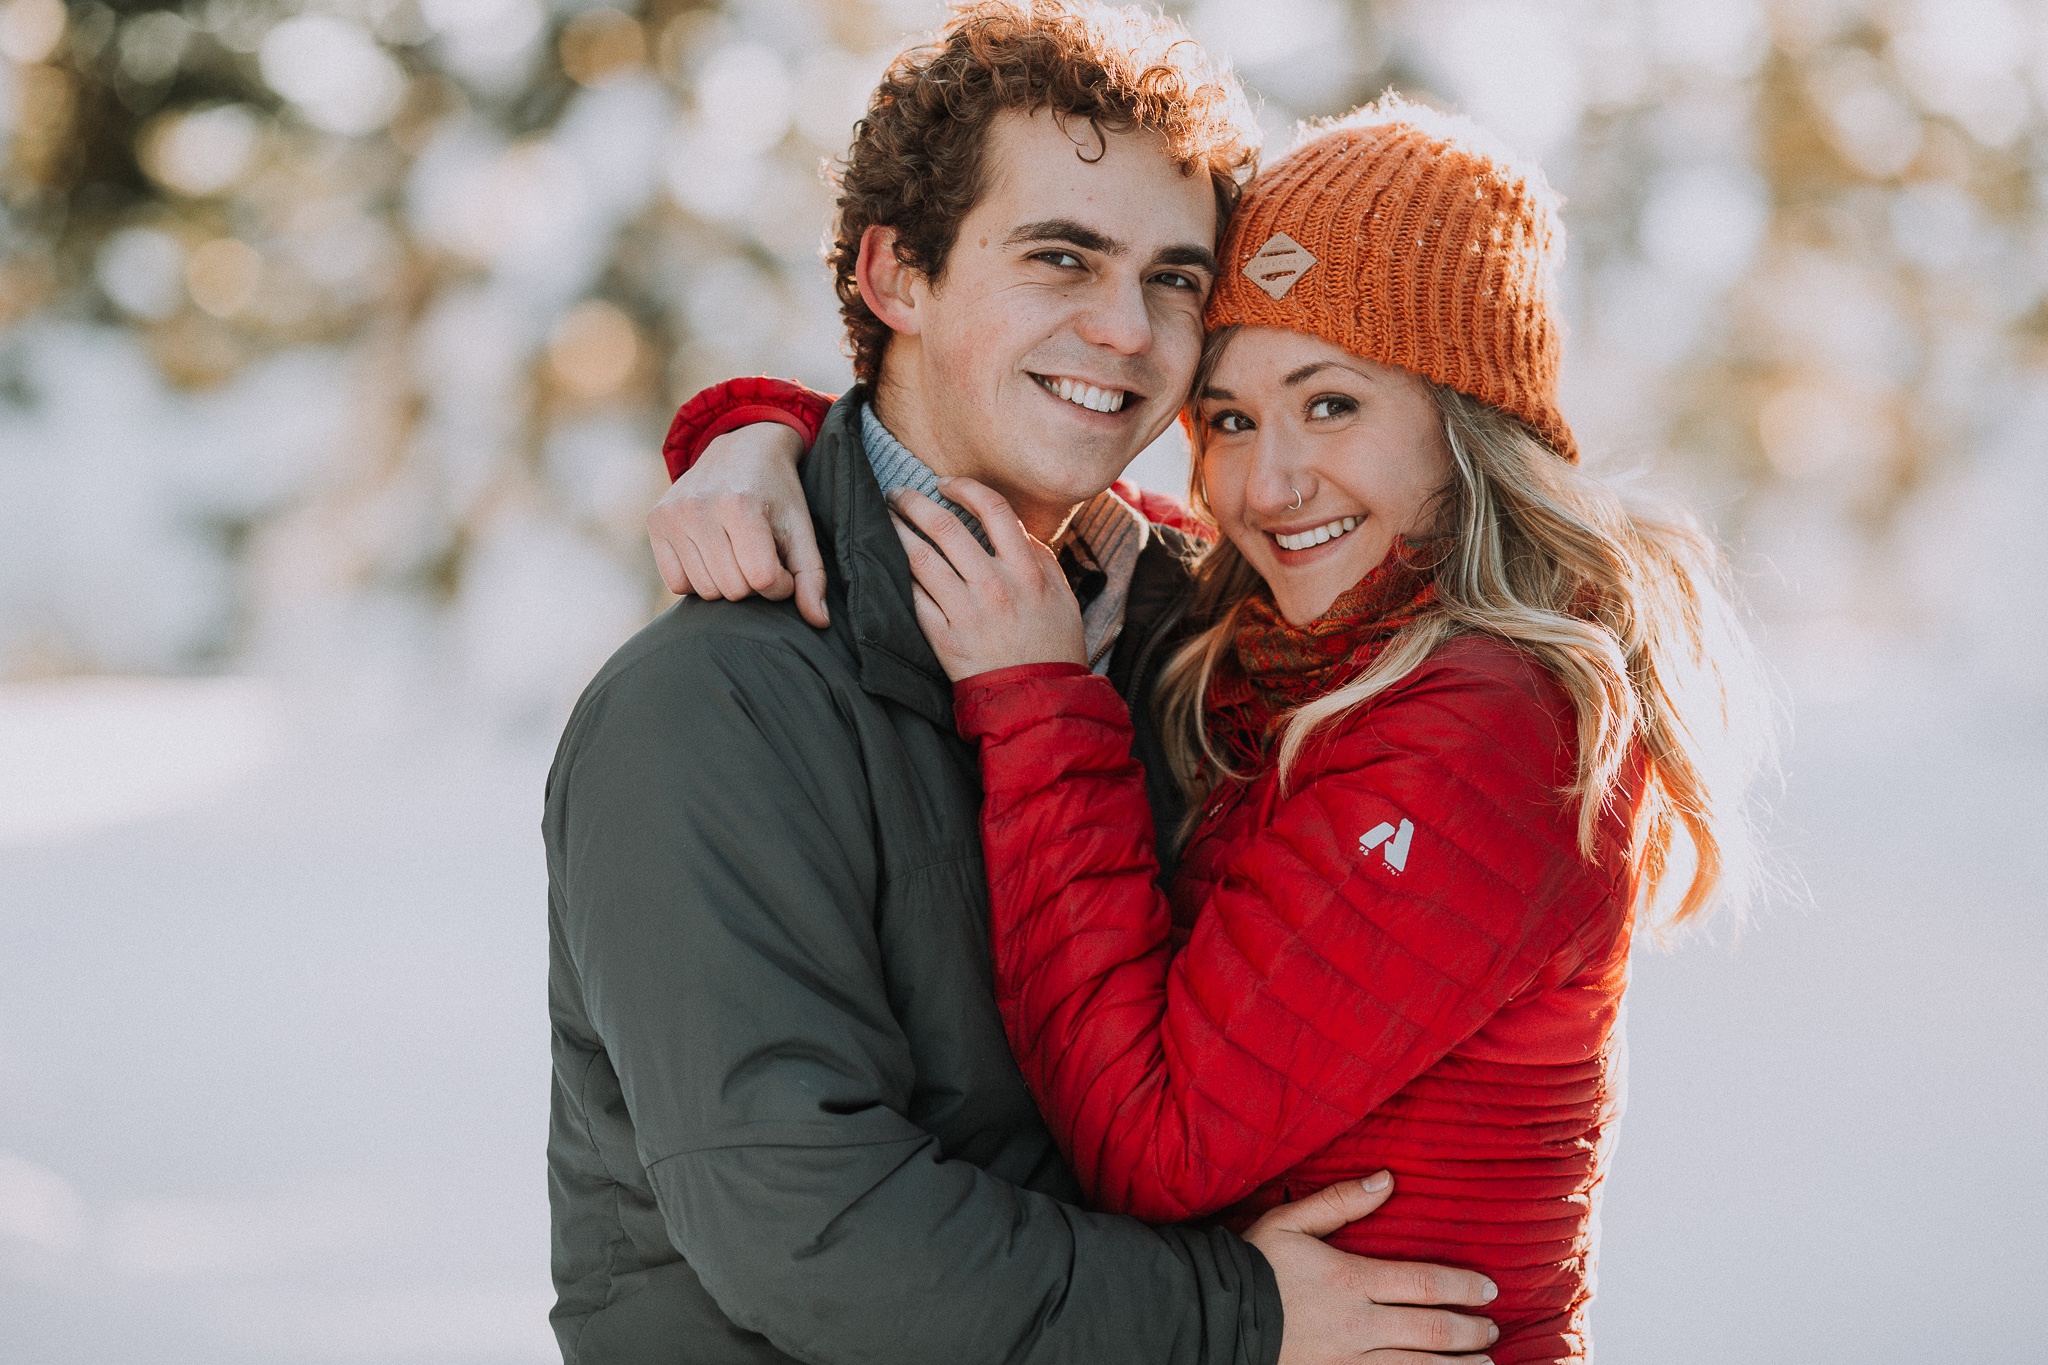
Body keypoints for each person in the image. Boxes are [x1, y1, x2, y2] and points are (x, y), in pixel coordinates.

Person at [651, 101, 1768, 1363]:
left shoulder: (1489, 725)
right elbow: (980, 459)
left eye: (1330, 404)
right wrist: (761, 436)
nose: (1267, 485)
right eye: (1228, 419)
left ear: (1468, 426)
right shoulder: (1280, 640)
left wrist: (1032, 707)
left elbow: (1153, 1143)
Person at [545, 6, 1499, 1364]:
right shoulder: (712, 705)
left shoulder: (1208, 634)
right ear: (898, 275)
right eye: (1063, 257)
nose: (1125, 329)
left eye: (1175, 278)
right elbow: (807, 1230)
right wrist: (1239, 1314)